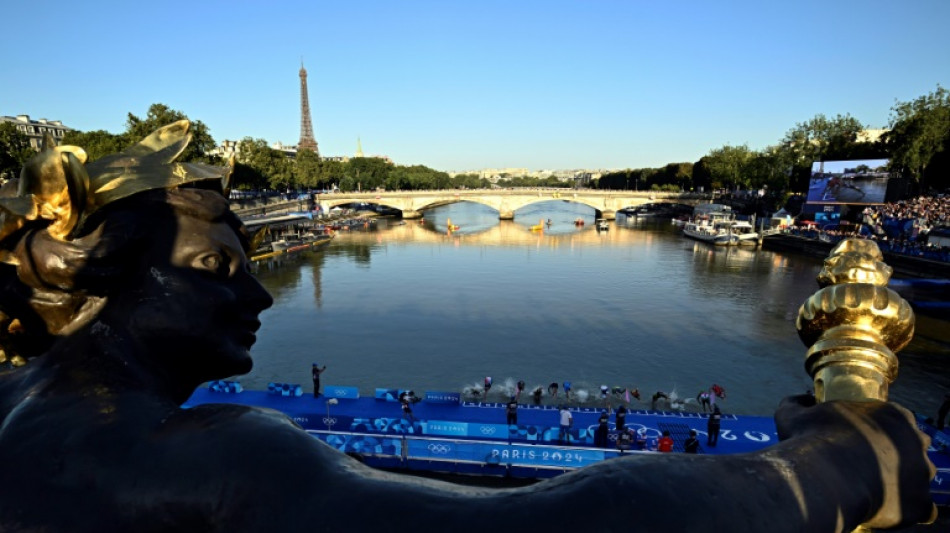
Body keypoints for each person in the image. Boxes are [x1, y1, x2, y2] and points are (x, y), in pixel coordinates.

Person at [0, 128, 937, 532]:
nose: (259, 296)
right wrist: (830, 464)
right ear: (100, 273)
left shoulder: (23, 404)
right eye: (215, 266)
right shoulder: (213, 454)